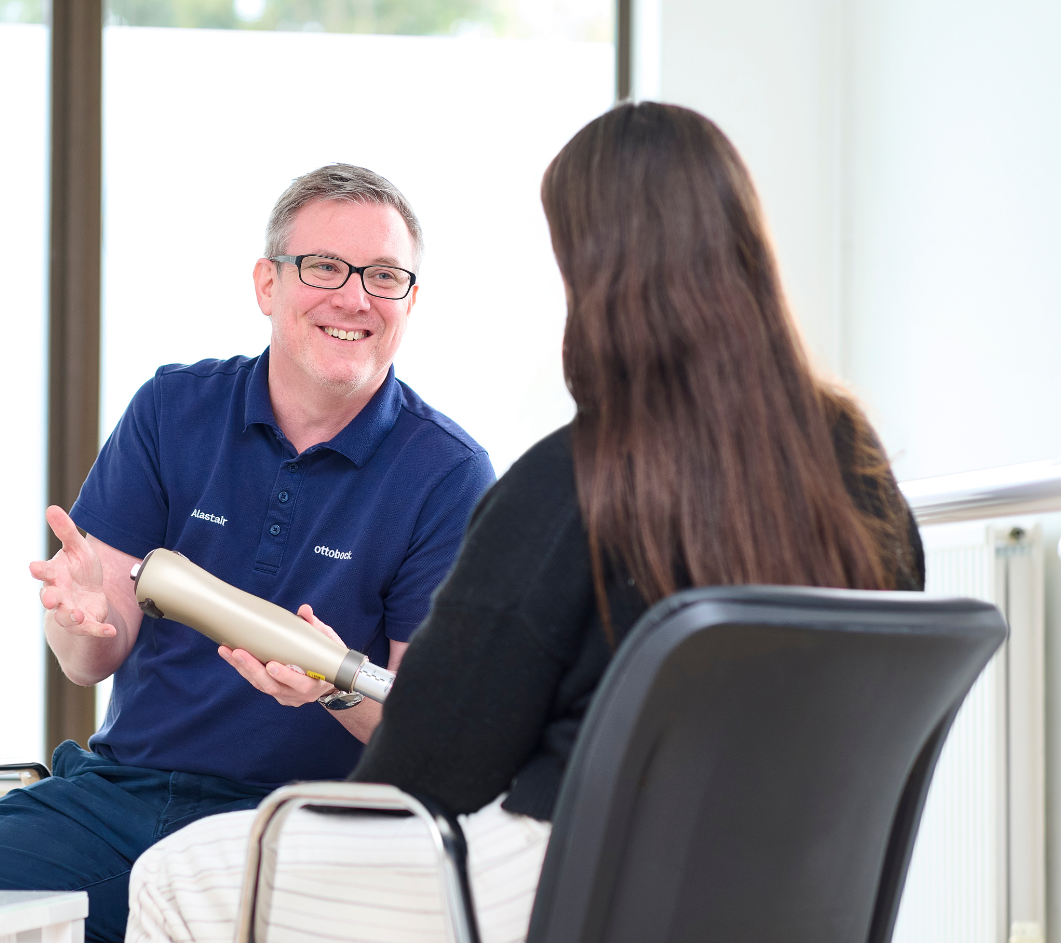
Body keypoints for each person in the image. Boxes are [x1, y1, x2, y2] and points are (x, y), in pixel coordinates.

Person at [125, 102, 926, 943]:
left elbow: (428, 767)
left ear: (600, 274)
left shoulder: (576, 479)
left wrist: (330, 688)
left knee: (176, 874)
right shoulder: (855, 467)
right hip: (792, 879)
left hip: (577, 873)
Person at [0, 164, 496, 943]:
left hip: (301, 821)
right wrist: (83, 620)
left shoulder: (445, 472)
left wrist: (332, 687)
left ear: (409, 301)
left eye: (384, 276)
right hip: (118, 797)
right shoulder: (173, 409)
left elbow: (429, 729)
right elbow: (87, 656)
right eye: (324, 267)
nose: (354, 297)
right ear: (267, 283)